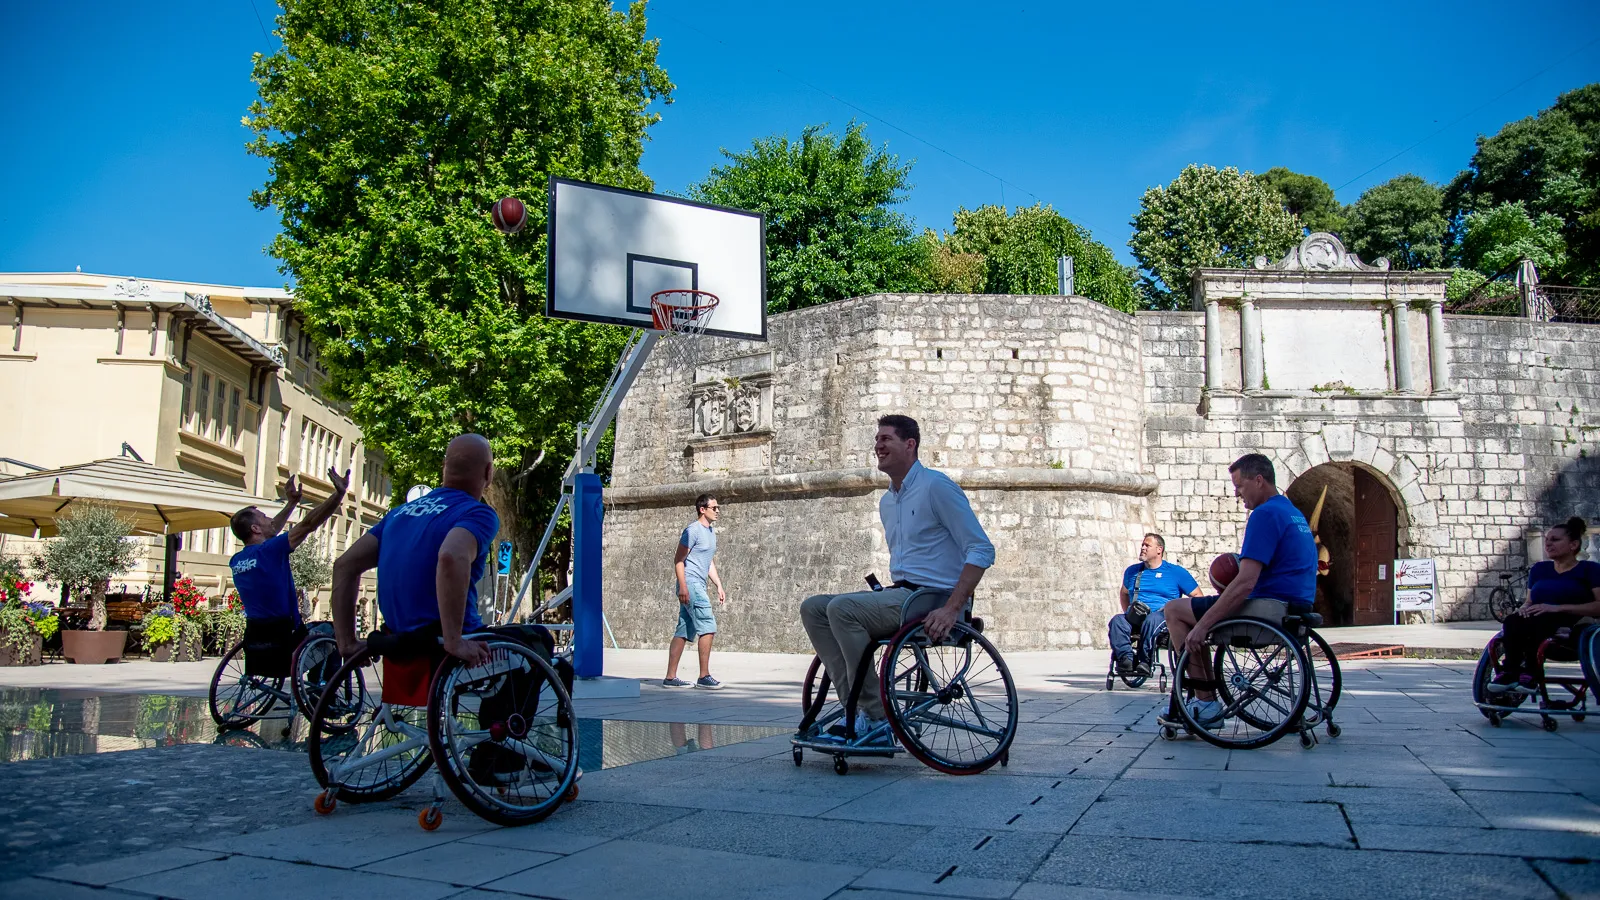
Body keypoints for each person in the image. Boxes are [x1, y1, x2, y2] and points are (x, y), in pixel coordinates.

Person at [800, 414, 995, 746]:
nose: (878, 445)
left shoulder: (937, 486)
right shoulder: (888, 501)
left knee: (843, 609)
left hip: (932, 599)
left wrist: (951, 609)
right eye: (876, 440)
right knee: (814, 608)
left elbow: (981, 549)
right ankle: (857, 708)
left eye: (885, 439)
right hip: (903, 595)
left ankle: (876, 717)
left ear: (910, 444)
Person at [1164, 453, 1317, 729]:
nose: (1237, 494)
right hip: (1297, 604)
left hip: (1267, 607)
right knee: (1196, 613)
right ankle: (1205, 697)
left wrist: (1203, 626)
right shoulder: (1292, 513)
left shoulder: (1264, 515)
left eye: (1240, 486)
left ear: (1259, 481)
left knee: (1175, 610)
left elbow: (1246, 583)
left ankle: (1206, 703)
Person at [228, 467, 349, 672]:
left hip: (258, 641)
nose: (270, 520)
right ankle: (321, 694)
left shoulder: (237, 561)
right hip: (287, 637)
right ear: (255, 529)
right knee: (332, 632)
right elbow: (309, 524)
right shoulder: (270, 551)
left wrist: (292, 503)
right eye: (264, 517)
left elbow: (273, 529)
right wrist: (338, 495)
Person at [1489, 517, 1600, 695]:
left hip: (1572, 624)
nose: (1548, 544)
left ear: (1573, 545)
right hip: (1537, 617)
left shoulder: (1589, 570)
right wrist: (1524, 608)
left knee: (1540, 622)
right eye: (1547, 540)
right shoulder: (1540, 569)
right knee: (1512, 621)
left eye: (1555, 540)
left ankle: (1531, 673)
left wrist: (1557, 608)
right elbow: (1529, 601)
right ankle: (1510, 672)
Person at [1109, 533, 1202, 677]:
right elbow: (1124, 593)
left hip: (1162, 617)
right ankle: (1126, 659)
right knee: (1117, 621)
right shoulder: (1132, 571)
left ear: (1159, 550)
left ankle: (1145, 661)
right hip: (1138, 615)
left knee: (1152, 620)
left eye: (1147, 545)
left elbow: (1197, 596)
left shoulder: (1176, 572)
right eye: (1143, 545)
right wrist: (1129, 612)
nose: (1143, 548)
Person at [664, 494, 727, 689]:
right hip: (690, 584)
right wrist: (683, 586)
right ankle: (704, 676)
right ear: (702, 509)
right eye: (714, 508)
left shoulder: (710, 532)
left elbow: (708, 562)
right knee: (708, 625)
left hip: (698, 584)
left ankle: (670, 677)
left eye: (717, 508)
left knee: (684, 629)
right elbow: (679, 561)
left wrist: (718, 584)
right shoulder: (692, 531)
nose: (717, 511)